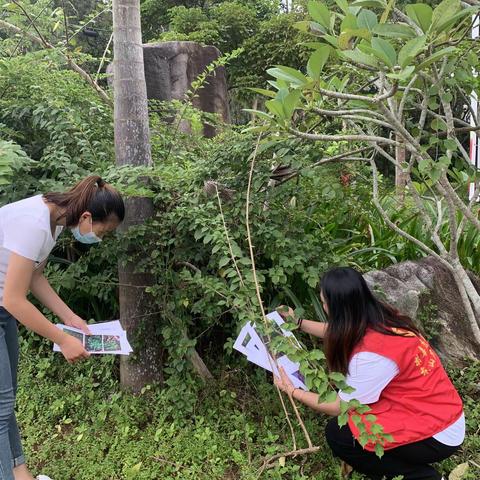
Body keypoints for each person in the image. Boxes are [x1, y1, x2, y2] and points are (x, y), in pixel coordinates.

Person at [274, 266, 464, 480]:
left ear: (339, 307)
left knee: (341, 435)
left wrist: (293, 391)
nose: (324, 306)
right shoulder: (380, 316)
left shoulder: (370, 357)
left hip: (438, 432)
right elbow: (342, 330)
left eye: (325, 303)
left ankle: (422, 477)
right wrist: (297, 324)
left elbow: (338, 406)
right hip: (437, 408)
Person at [0, 176, 124, 480]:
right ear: (85, 217)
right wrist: (63, 340)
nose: (100, 239)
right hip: (5, 304)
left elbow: (34, 278)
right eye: (102, 231)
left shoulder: (53, 221)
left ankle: (20, 474)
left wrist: (70, 318)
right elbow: (15, 299)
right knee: (0, 407)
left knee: (6, 401)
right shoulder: (35, 223)